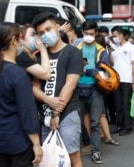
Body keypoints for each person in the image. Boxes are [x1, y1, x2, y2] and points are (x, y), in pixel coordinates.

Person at [0, 22, 43, 166]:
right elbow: (27, 112)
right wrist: (36, 144)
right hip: (17, 141)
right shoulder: (18, 74)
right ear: (14, 41)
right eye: (21, 37)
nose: (23, 41)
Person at [32, 12, 84, 167]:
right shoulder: (39, 56)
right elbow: (34, 87)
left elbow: (70, 84)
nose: (45, 35)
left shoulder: (72, 52)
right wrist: (48, 101)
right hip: (43, 116)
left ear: (57, 27)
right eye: (41, 33)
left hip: (67, 113)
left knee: (72, 155)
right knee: (48, 157)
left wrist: (56, 112)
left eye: (48, 29)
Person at [76, 21, 109, 164]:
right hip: (77, 88)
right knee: (77, 122)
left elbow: (103, 72)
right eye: (86, 33)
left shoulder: (102, 51)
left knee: (95, 122)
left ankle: (95, 151)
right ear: (82, 33)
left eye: (91, 34)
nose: (88, 36)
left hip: (95, 90)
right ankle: (77, 151)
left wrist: (86, 70)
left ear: (96, 33)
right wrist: (89, 70)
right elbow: (71, 67)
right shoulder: (77, 48)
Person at [110, 26, 134, 136]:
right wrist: (109, 52)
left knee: (126, 104)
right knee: (118, 104)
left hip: (127, 80)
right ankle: (119, 125)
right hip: (116, 80)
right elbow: (112, 63)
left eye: (116, 36)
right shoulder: (113, 47)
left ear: (121, 35)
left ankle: (127, 126)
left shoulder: (131, 47)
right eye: (113, 36)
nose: (114, 38)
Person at [95, 34, 120, 146]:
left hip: (97, 84)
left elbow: (104, 66)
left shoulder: (102, 53)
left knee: (100, 113)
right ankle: (106, 136)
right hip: (103, 84)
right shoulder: (103, 52)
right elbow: (110, 65)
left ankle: (102, 135)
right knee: (102, 113)